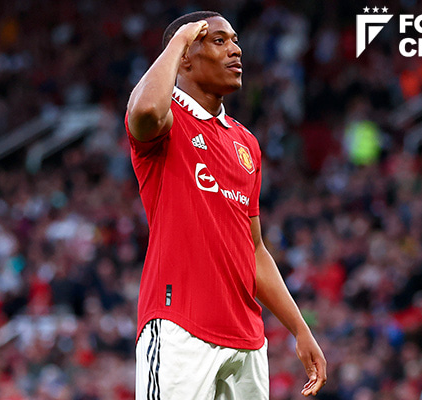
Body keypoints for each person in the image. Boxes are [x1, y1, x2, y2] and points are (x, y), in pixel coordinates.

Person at [125, 10, 327, 399]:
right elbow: (145, 111)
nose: (236, 51)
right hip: (180, 327)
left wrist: (300, 328)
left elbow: (254, 250)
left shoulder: (245, 142)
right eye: (219, 41)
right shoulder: (167, 119)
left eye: (235, 41)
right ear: (185, 55)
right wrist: (179, 39)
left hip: (246, 339)